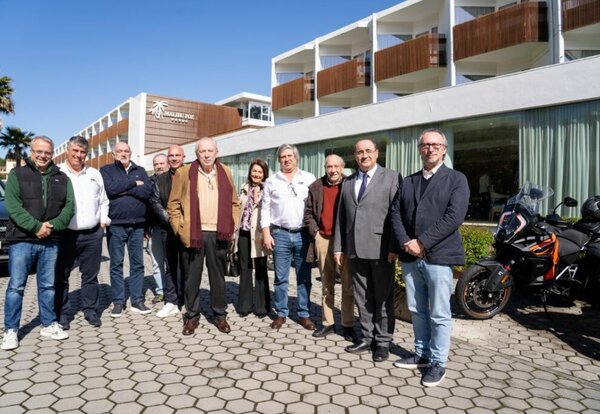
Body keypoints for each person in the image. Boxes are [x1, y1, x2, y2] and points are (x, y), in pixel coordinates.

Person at [391, 128, 469, 387]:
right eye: (425, 145)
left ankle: (438, 362)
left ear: (444, 150)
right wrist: (407, 242)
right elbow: (396, 214)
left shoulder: (456, 179)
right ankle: (422, 354)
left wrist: (422, 242)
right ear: (419, 150)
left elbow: (454, 217)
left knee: (439, 312)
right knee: (417, 309)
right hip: (411, 256)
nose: (430, 149)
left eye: (436, 145)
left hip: (439, 256)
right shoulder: (409, 181)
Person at [2, 136, 74, 350]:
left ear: (52, 154)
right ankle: (11, 330)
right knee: (16, 286)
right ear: (31, 152)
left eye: (47, 152)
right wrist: (36, 227)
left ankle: (49, 324)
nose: (43, 155)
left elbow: (69, 207)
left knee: (48, 286)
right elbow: (13, 206)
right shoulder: (17, 174)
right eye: (39, 151)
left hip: (50, 241)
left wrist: (52, 226)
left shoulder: (62, 177)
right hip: (22, 240)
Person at [333, 139, 400, 362]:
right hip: (354, 250)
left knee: (383, 298)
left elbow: (396, 216)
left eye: (368, 151)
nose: (364, 155)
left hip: (381, 250)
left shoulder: (391, 178)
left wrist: (394, 246)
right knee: (362, 297)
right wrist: (338, 248)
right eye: (360, 152)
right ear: (355, 156)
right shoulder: (348, 182)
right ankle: (366, 337)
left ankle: (383, 342)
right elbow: (341, 218)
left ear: (377, 153)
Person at [167, 137, 240, 335]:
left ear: (216, 153)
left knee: (218, 278)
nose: (206, 155)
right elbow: (173, 204)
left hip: (219, 234)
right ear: (196, 154)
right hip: (193, 234)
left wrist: (232, 224)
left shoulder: (226, 171)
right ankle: (192, 316)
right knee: (192, 279)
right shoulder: (184, 173)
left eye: (210, 151)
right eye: (202, 151)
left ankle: (220, 315)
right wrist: (179, 229)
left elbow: (235, 202)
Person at [54, 136, 109, 330]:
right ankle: (62, 313)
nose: (78, 155)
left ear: (87, 154)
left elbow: (103, 200)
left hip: (93, 234)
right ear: (67, 151)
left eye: (82, 152)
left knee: (90, 276)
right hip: (65, 234)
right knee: (61, 276)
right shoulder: (57, 173)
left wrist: (102, 223)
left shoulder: (94, 174)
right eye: (75, 151)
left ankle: (90, 310)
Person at [261, 144, 316, 331]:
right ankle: (281, 313)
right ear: (279, 160)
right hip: (280, 234)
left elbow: (316, 206)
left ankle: (304, 314)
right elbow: (265, 209)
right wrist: (266, 233)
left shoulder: (308, 178)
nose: (286, 159)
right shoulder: (271, 181)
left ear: (296, 158)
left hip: (303, 234)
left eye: (289, 156)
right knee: (280, 278)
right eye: (283, 156)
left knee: (304, 277)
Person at [304, 154, 355, 341]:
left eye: (336, 166)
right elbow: (308, 213)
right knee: (327, 284)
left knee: (348, 285)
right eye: (329, 167)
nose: (333, 170)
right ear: (325, 168)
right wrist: (316, 232)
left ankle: (348, 324)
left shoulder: (350, 184)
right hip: (324, 239)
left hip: (346, 241)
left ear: (342, 167)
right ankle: (328, 323)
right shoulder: (316, 186)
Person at [100, 141, 152, 317]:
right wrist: (133, 183)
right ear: (113, 154)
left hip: (138, 225)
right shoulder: (106, 170)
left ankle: (137, 300)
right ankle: (118, 301)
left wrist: (124, 188)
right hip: (116, 225)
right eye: (119, 151)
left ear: (130, 153)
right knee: (116, 264)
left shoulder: (141, 170)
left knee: (137, 264)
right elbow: (110, 189)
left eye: (126, 151)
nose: (123, 154)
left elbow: (147, 192)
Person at [149, 145, 186, 317]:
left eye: (178, 155)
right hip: (167, 228)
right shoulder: (161, 179)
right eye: (171, 155)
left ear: (184, 157)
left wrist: (184, 223)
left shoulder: (191, 175)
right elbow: (155, 202)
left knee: (188, 266)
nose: (174, 158)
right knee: (170, 266)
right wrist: (172, 222)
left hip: (188, 229)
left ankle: (187, 299)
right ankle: (171, 300)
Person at [234, 159, 271, 318]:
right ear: (250, 172)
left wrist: (258, 199)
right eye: (254, 171)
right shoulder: (244, 188)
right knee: (245, 268)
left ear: (264, 174)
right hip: (244, 233)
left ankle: (262, 307)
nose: (256, 174)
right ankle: (244, 305)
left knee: (261, 268)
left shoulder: (268, 189)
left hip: (260, 234)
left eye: (260, 172)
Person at [148, 153, 168, 305]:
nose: (159, 166)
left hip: (171, 227)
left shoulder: (174, 179)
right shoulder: (149, 182)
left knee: (172, 261)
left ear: (167, 164)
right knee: (156, 261)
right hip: (154, 227)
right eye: (156, 164)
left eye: (162, 163)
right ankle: (160, 291)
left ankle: (174, 290)